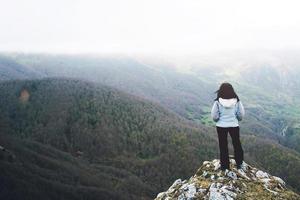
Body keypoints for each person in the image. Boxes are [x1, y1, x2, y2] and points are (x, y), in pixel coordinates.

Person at [211, 82, 245, 171]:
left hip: (221, 126)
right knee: (237, 144)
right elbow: (241, 115)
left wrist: (219, 120)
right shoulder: (237, 101)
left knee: (223, 145)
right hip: (234, 125)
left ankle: (224, 166)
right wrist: (236, 119)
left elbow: (214, 116)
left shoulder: (217, 102)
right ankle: (239, 163)